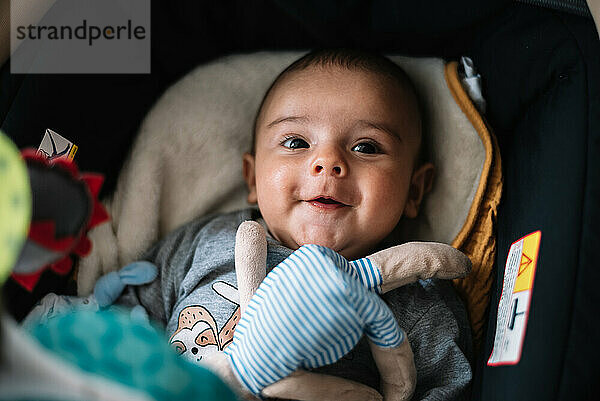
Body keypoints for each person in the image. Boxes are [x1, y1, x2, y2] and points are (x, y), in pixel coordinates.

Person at [118, 49, 473, 400]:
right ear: (253, 178)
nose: (327, 161)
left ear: (413, 190)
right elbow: (126, 316)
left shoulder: (418, 302)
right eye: (296, 142)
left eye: (366, 147)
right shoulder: (206, 241)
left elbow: (448, 388)